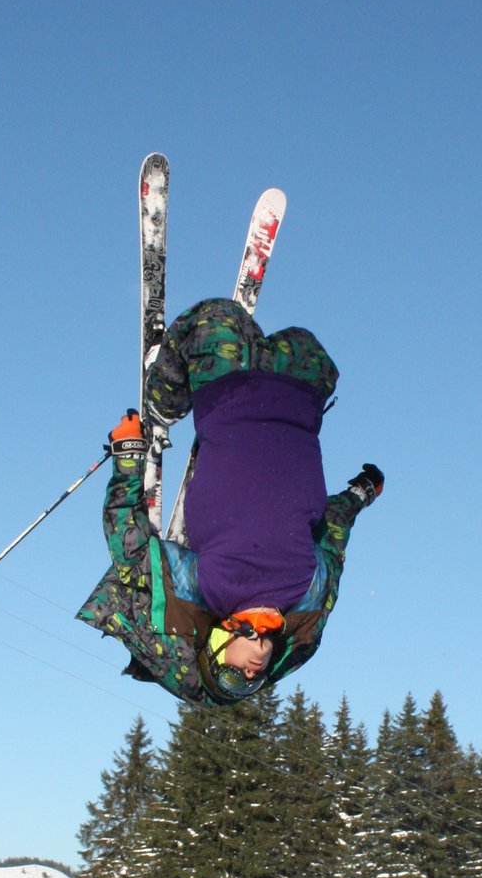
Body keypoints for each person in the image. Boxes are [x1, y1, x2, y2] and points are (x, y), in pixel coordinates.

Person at [76, 296, 383, 705]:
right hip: (301, 398)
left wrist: (129, 453)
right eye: (252, 684)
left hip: (225, 389)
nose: (250, 677)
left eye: (232, 677)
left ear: (215, 647)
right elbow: (334, 534)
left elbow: (130, 549)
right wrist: (362, 493)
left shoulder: (206, 590)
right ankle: (258, 352)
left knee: (216, 318)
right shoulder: (305, 599)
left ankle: (162, 401)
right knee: (314, 351)